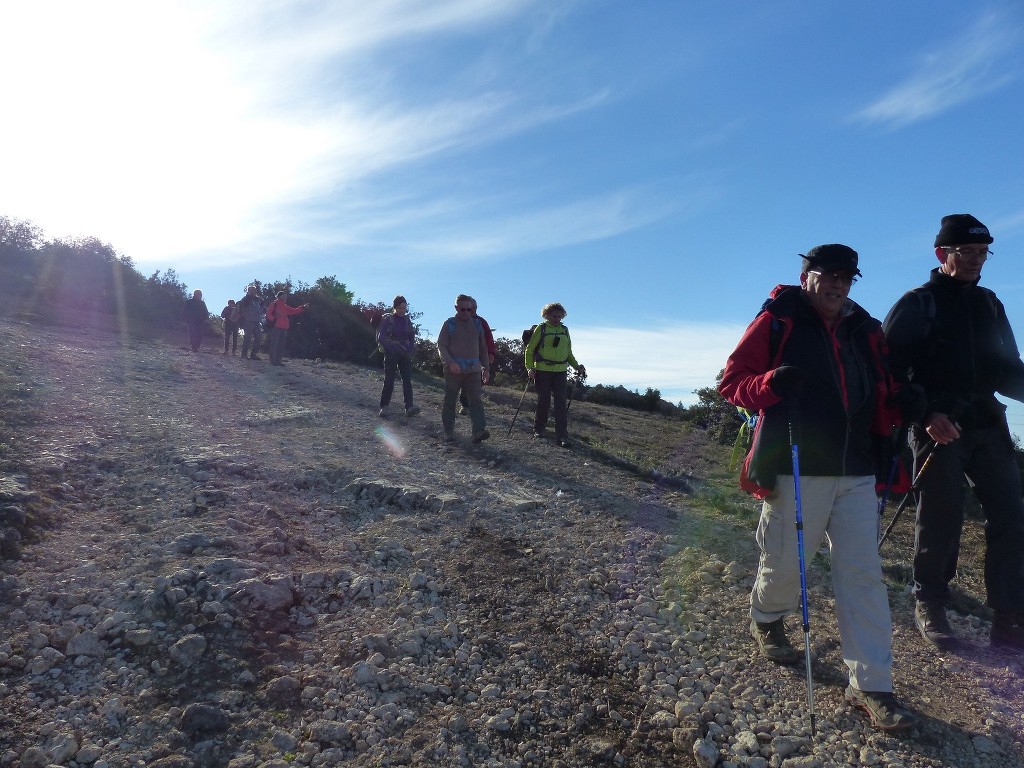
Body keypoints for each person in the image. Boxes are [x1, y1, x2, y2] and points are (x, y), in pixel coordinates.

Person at [719, 244, 917, 731]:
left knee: (863, 575)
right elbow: (733, 382)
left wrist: (906, 403)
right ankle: (768, 616)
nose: (838, 285)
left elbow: (880, 395)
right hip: (797, 464)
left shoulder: (864, 331)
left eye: (847, 278)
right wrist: (772, 383)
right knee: (787, 562)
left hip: (857, 469)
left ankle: (871, 683)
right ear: (806, 277)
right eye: (829, 276)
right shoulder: (779, 320)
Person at [882, 214, 1024, 653]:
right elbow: (888, 372)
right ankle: (931, 605)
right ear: (942, 253)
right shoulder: (917, 303)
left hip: (987, 423)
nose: (976, 261)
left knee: (1013, 518)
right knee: (941, 518)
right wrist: (924, 415)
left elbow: (1007, 369)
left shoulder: (990, 304)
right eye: (966, 253)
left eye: (982, 253)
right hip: (936, 428)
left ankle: (1009, 620)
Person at [524, 302, 586, 448]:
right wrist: (529, 368)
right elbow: (530, 350)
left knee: (560, 404)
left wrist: (576, 366)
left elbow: (568, 352)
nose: (557, 319)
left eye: (560, 316)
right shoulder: (542, 328)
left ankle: (562, 436)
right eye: (554, 316)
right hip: (542, 370)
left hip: (560, 371)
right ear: (547, 315)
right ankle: (539, 430)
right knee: (543, 402)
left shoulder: (564, 330)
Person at [437, 294, 490, 443]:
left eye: (469, 309)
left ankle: (478, 432)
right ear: (456, 308)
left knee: (476, 401)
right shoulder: (449, 324)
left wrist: (486, 368)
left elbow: (483, 348)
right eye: (463, 309)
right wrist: (449, 362)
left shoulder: (477, 325)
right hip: (454, 371)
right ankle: (448, 432)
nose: (466, 312)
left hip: (473, 370)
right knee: (450, 400)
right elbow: (441, 345)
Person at [377, 296, 421, 418]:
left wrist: (410, 348)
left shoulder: (407, 320)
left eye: (404, 308)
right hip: (392, 354)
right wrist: (390, 349)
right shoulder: (389, 319)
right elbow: (381, 336)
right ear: (395, 307)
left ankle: (409, 407)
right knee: (389, 380)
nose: (402, 310)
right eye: (400, 308)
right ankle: (384, 407)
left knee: (407, 380)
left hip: (405, 353)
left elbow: (411, 336)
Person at [459, 301, 496, 415]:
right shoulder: (457, 322)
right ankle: (465, 405)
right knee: (465, 381)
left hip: (480, 355)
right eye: (469, 308)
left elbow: (489, 338)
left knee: (478, 381)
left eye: (474, 308)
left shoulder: (481, 322)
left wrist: (491, 353)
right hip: (464, 357)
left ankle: (472, 404)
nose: (471, 310)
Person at [266, 290, 309, 367]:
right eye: (284, 295)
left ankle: (278, 361)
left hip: (284, 328)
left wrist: (303, 307)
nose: (286, 297)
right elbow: (268, 314)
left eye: (286, 296)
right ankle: (273, 361)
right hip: (276, 327)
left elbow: (294, 311)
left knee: (281, 345)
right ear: (279, 296)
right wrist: (275, 319)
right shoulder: (274, 304)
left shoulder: (285, 306)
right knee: (274, 344)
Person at [238, 286, 264, 360]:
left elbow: (261, 307)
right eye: (252, 290)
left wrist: (262, 302)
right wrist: (249, 296)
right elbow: (242, 306)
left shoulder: (257, 299)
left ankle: (254, 354)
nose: (254, 291)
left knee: (258, 338)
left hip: (257, 321)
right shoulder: (245, 298)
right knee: (247, 338)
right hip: (248, 320)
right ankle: (244, 354)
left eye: (255, 290)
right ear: (248, 291)